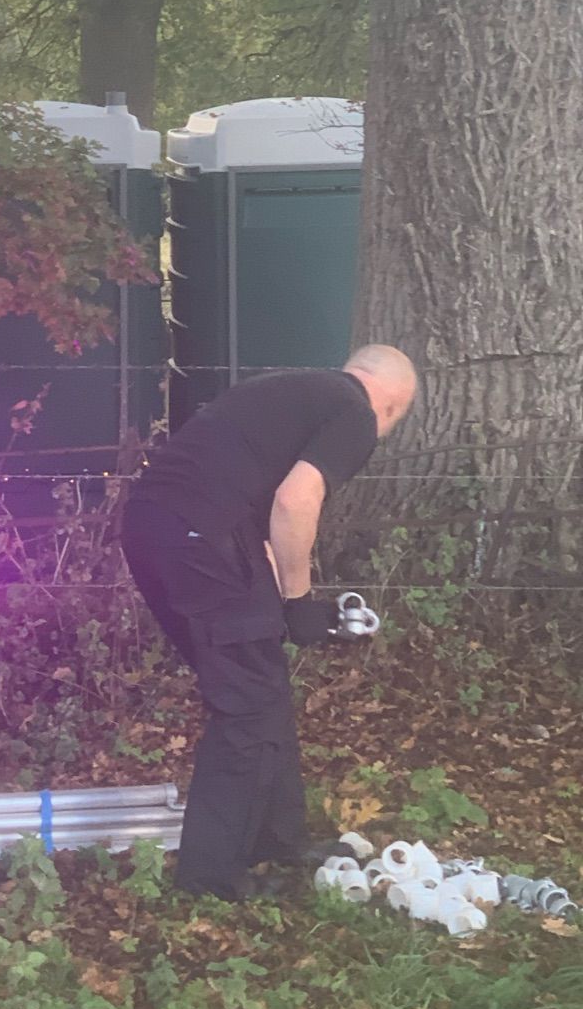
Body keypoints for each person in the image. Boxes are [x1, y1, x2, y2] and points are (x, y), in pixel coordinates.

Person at [121, 346, 418, 901]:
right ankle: (209, 877)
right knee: (248, 696)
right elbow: (296, 502)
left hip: (161, 529)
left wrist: (286, 605)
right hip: (198, 540)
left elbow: (258, 519)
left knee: (261, 680)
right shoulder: (355, 412)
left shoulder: (290, 384)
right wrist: (301, 601)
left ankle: (278, 840)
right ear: (393, 405)